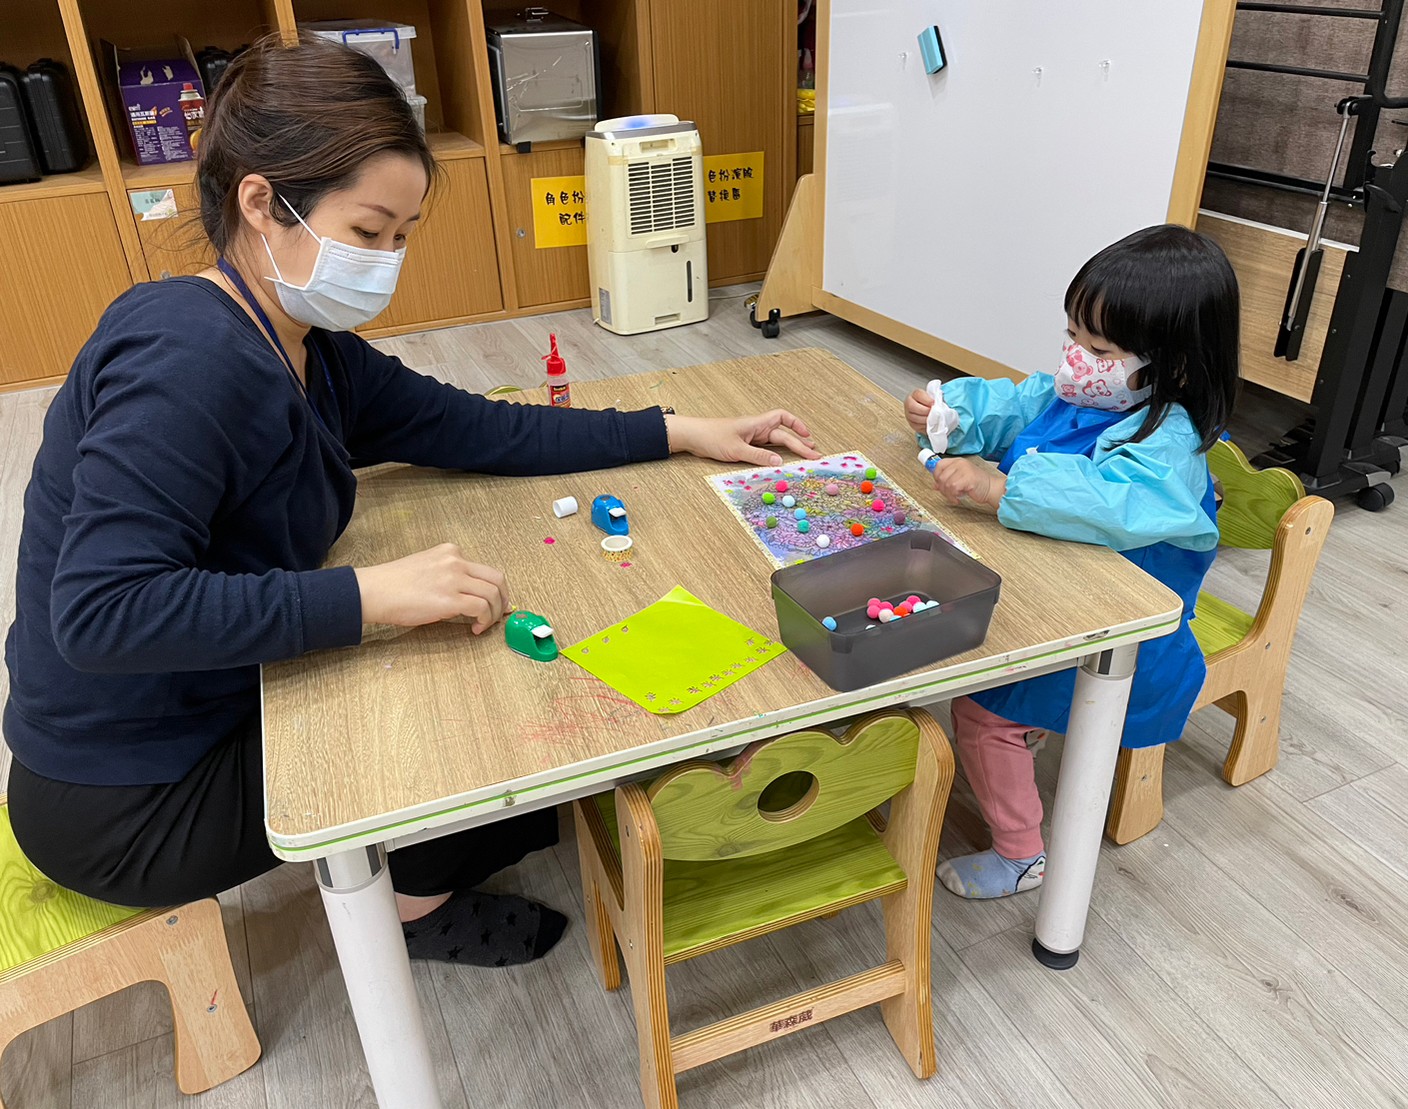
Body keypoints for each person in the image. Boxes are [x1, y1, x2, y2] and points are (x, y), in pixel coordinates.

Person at [1, 36, 820, 969]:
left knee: (479, 665)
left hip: (196, 703)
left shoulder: (299, 337)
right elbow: (101, 613)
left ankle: (431, 868)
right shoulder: (188, 362)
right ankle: (413, 910)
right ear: (262, 203)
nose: (387, 262)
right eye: (365, 232)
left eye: (402, 236)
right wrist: (370, 600)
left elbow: (479, 429)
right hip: (128, 796)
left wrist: (678, 427)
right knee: (495, 721)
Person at [905, 224, 1239, 900]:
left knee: (979, 706)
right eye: (1071, 337)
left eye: (1097, 349)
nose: (1074, 359)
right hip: (1051, 590)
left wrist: (1002, 487)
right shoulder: (1088, 392)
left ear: (1173, 366)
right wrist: (949, 411)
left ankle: (1021, 854)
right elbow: (1017, 401)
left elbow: (1111, 504)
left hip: (1119, 639)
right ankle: (1022, 749)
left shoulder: (1165, 440)